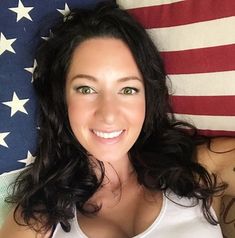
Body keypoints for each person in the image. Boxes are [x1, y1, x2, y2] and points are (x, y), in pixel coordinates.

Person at [0, 1, 235, 238]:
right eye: (86, 89)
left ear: (148, 96)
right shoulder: (33, 222)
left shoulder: (208, 168)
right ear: (61, 99)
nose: (109, 114)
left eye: (128, 90)